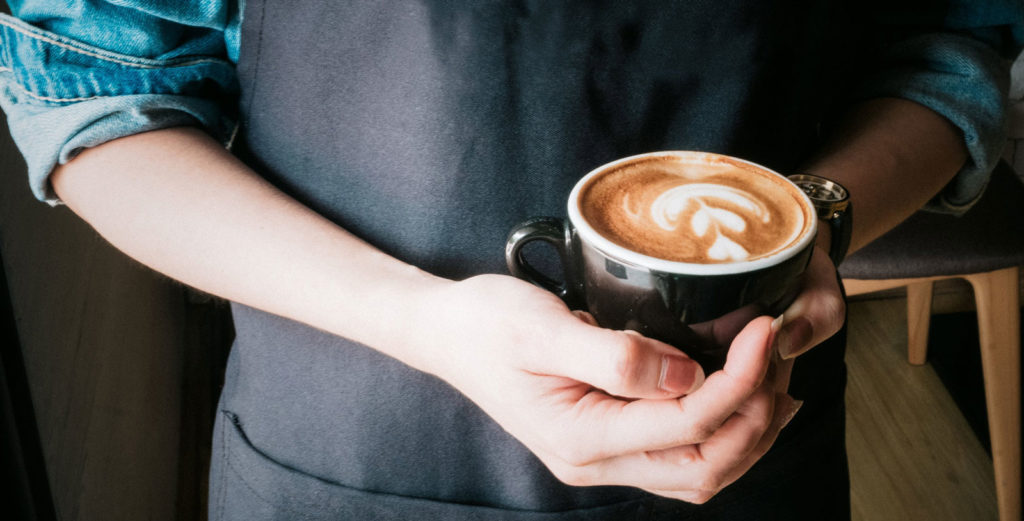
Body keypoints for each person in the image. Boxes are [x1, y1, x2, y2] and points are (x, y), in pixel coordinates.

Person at [1, 1, 1020, 519]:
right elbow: (89, 98)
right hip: (345, 451)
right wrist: (422, 322)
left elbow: (948, 41)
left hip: (749, 443)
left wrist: (814, 220)